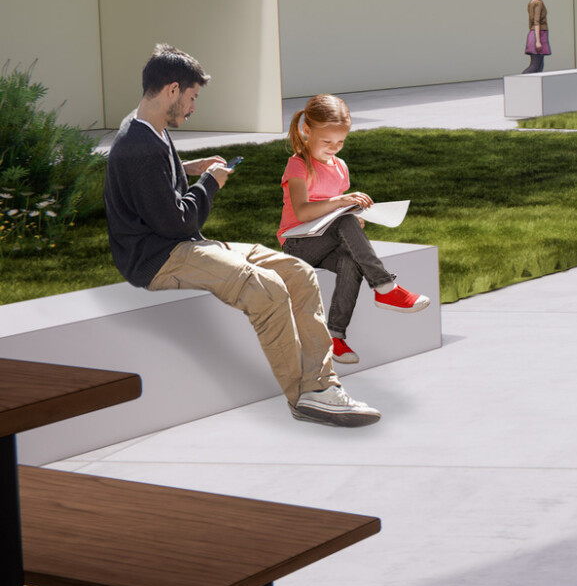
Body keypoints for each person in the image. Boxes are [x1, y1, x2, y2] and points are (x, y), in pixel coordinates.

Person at [104, 46, 379, 426]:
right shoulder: (137, 147)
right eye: (192, 97)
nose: (193, 107)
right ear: (172, 90)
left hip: (183, 244)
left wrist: (191, 168)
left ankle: (323, 385)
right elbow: (177, 222)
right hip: (157, 257)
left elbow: (155, 178)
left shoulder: (147, 128)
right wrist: (209, 183)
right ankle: (304, 398)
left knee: (298, 273)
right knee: (266, 288)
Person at [277, 94, 432, 366]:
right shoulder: (298, 164)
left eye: (340, 142)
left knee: (351, 260)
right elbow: (302, 212)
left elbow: (336, 216)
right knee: (344, 219)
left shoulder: (340, 167)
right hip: (298, 244)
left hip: (326, 243)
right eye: (327, 142)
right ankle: (385, 287)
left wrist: (351, 217)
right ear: (307, 131)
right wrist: (340, 204)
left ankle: (335, 336)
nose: (334, 148)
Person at [523, 0, 550, 74]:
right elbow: (536, 22)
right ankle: (517, 81)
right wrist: (538, 41)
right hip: (538, 34)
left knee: (539, 66)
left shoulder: (532, 2)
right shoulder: (538, 3)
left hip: (535, 34)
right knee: (535, 66)